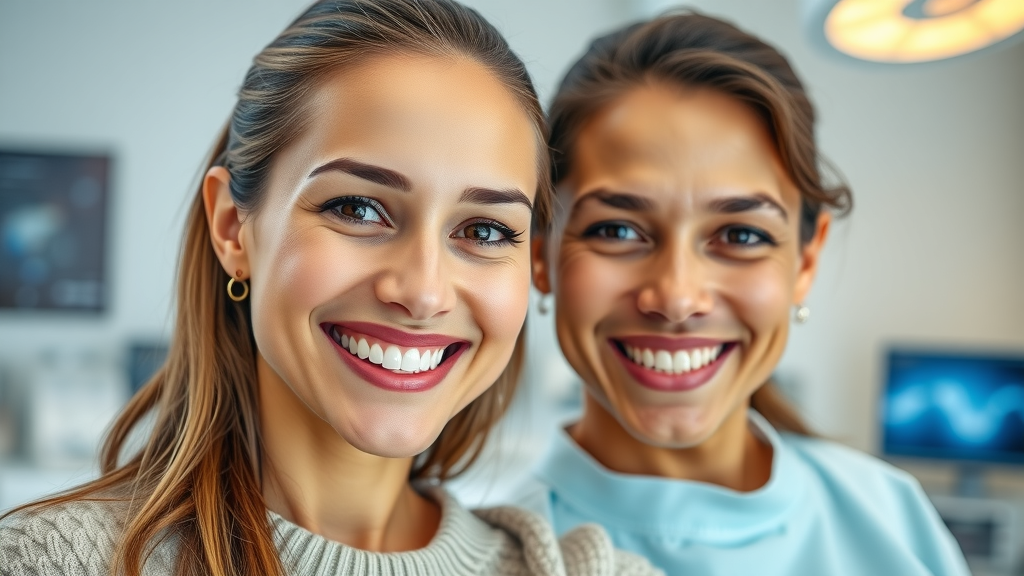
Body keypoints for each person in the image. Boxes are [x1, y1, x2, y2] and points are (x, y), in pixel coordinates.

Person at [0, 2, 662, 575]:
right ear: (233, 228)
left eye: (485, 230)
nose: (423, 291)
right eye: (358, 209)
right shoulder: (50, 561)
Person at [523, 11, 970, 576]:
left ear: (805, 260)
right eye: (616, 230)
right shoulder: (486, 550)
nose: (677, 298)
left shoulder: (893, 517)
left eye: (741, 236)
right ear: (540, 252)